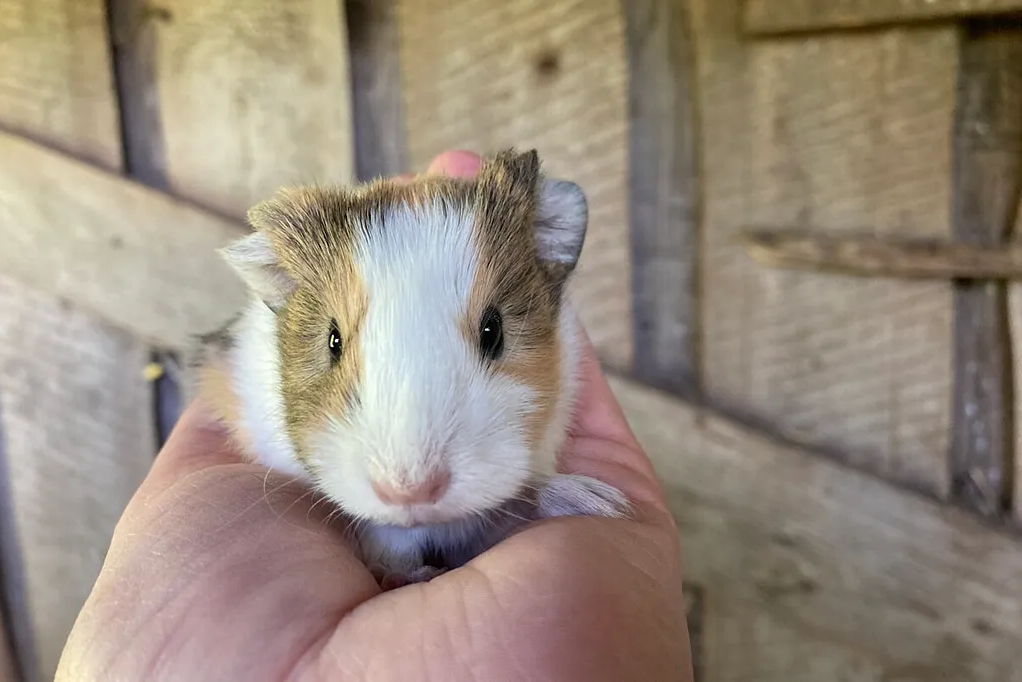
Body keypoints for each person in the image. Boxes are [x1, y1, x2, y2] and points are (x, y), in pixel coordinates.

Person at [54, 151, 695, 682]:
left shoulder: (556, 335)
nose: (411, 479)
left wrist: (537, 494)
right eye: (335, 345)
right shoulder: (257, 374)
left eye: (490, 335)